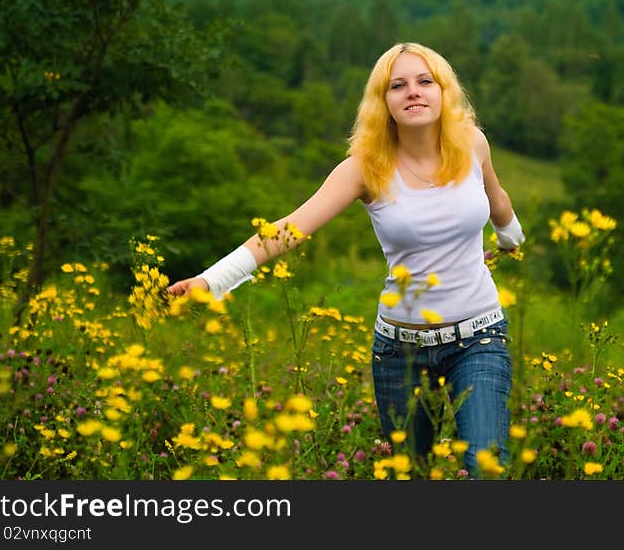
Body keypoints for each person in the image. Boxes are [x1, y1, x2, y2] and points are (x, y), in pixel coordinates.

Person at [166, 42, 525, 477]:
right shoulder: (364, 168)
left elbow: (496, 195)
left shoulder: (472, 144)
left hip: (479, 337)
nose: (413, 92)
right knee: (408, 474)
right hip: (400, 350)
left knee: (486, 469)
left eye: (424, 81)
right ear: (383, 102)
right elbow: (289, 229)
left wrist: (510, 239)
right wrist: (211, 281)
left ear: (444, 91)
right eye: (398, 85)